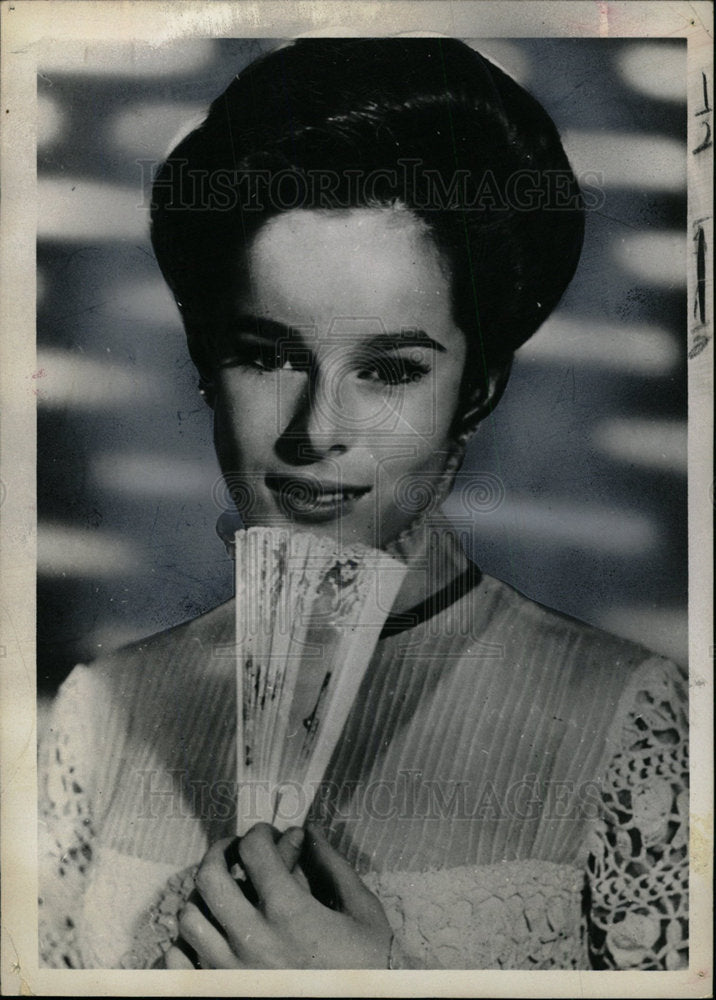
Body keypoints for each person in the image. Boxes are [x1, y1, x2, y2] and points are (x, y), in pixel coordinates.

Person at [38, 37, 688, 971]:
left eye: (389, 370)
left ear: (478, 389)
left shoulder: (630, 727)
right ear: (204, 361)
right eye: (266, 354)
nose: (317, 430)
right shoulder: (100, 717)